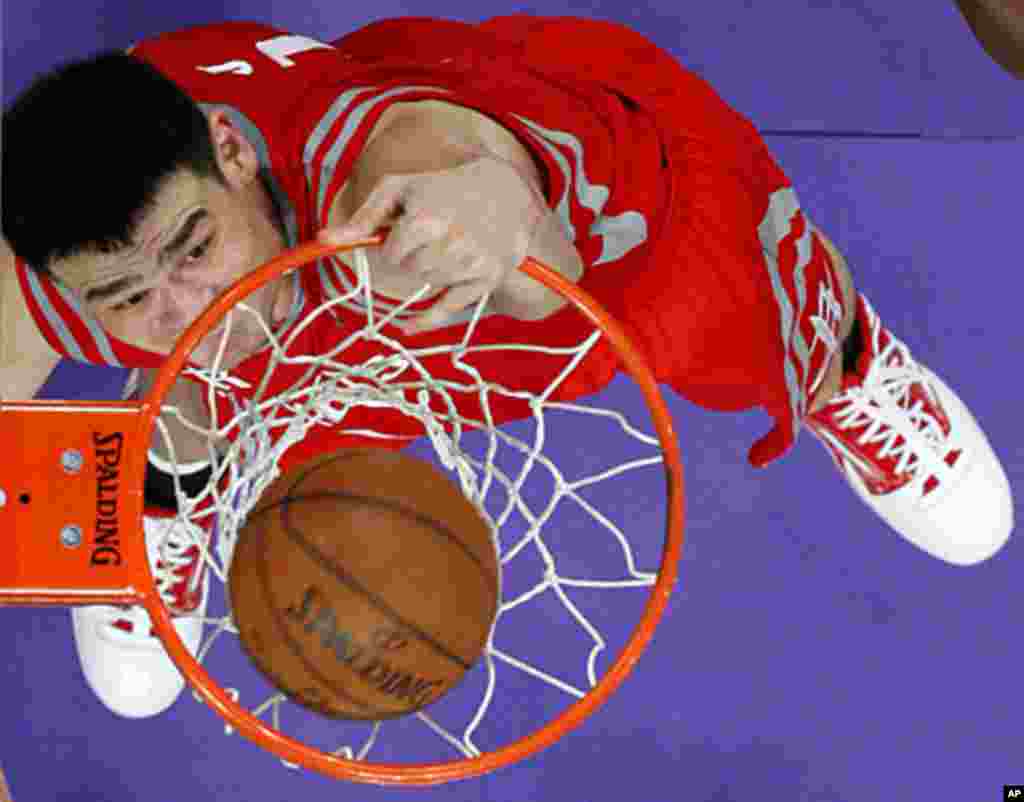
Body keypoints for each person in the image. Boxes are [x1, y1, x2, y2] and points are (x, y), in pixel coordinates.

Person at [1, 15, 1013, 720]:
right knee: (212, 356)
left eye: (189, 248)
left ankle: (848, 363)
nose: (181, 305)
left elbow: (540, 265)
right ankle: (161, 481)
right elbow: (155, 298)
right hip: (306, 291)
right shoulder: (53, 277)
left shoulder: (387, 174)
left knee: (730, 301)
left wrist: (497, 205)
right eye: (126, 297)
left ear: (230, 152)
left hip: (589, 224)